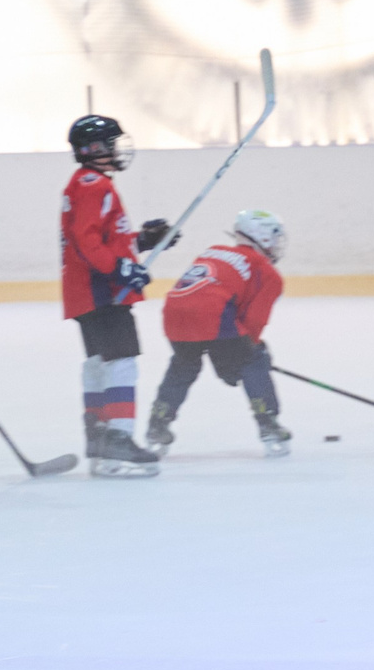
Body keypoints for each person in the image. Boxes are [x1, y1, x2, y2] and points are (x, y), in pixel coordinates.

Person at [60, 114, 173, 476]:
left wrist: (142, 241)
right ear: (93, 149)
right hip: (102, 292)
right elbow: (88, 242)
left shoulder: (84, 183)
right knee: (122, 360)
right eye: (111, 143)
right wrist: (121, 270)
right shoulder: (96, 186)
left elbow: (105, 241)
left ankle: (98, 436)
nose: (116, 150)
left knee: (99, 363)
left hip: (86, 292)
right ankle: (119, 439)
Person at [148, 210, 290, 457]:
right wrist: (243, 355)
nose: (278, 244)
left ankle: (158, 424)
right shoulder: (267, 272)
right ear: (263, 238)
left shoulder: (213, 250)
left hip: (174, 313)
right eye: (275, 237)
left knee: (183, 365)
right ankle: (268, 424)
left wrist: (225, 355)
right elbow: (254, 321)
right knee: (254, 359)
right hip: (214, 314)